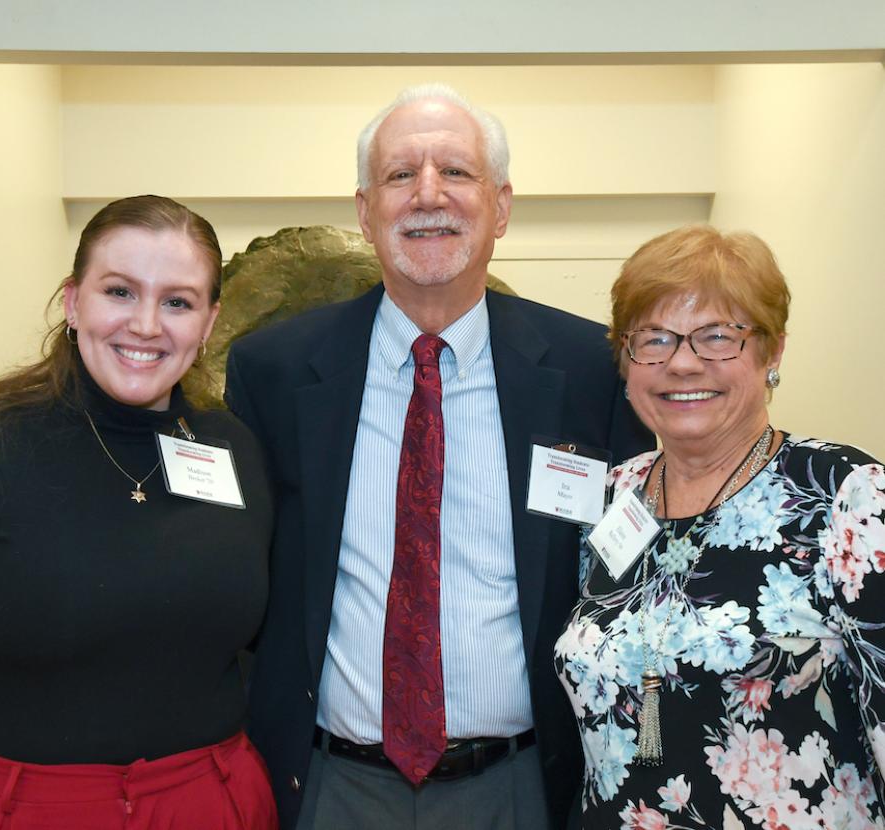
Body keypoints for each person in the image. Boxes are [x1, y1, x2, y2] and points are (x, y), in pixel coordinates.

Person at [225, 84, 652, 830]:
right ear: (365, 212)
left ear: (502, 206)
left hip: (519, 784)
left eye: (456, 172)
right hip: (332, 783)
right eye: (400, 175)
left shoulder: (591, 368)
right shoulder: (275, 370)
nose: (429, 195)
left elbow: (635, 570)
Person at [554, 224, 885, 828]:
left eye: (716, 337)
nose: (682, 363)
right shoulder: (609, 497)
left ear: (773, 351)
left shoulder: (847, 498)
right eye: (654, 339)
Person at [0, 195, 278, 829]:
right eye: (120, 292)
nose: (145, 325)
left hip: (210, 802)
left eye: (178, 302)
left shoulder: (234, 447)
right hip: (22, 808)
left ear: (210, 322)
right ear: (73, 301)